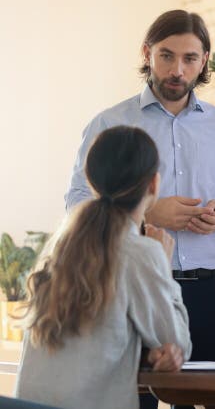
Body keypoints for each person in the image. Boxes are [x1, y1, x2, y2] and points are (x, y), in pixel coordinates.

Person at [65, 10, 215, 408]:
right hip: (129, 289)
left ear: (205, 60)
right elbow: (77, 205)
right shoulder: (109, 122)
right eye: (166, 56)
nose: (178, 69)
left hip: (207, 293)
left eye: (190, 58)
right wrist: (146, 213)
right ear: (147, 53)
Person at [16, 126, 191, 409]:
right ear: (154, 185)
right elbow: (176, 342)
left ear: (91, 181)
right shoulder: (141, 253)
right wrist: (164, 268)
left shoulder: (59, 246)